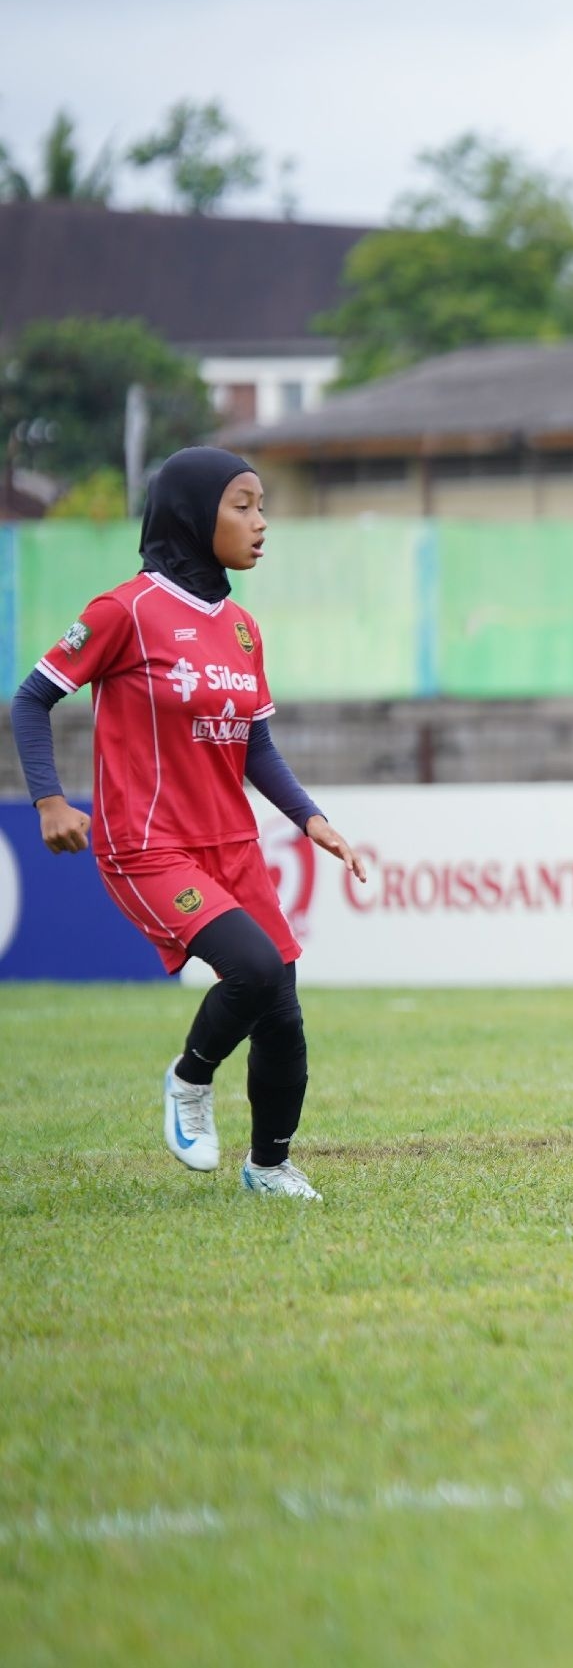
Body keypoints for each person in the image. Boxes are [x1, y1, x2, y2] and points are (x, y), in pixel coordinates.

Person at [10, 447, 363, 1201]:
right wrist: (49, 799)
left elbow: (255, 744)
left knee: (282, 1012)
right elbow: (33, 698)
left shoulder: (242, 628)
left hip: (233, 845)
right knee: (253, 968)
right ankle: (189, 1079)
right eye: (243, 505)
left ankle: (269, 1167)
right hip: (149, 846)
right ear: (193, 513)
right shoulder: (125, 610)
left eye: (263, 506)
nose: (261, 522)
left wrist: (311, 818)